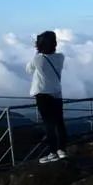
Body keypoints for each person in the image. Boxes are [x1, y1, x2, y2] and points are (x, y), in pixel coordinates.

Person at [26, 31, 68, 164]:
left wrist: (37, 51)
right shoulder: (61, 57)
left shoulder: (38, 59)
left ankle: (52, 153)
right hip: (57, 93)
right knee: (59, 122)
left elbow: (29, 69)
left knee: (49, 124)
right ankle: (62, 150)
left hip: (43, 95)